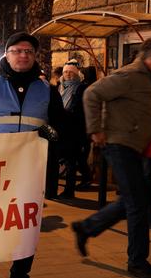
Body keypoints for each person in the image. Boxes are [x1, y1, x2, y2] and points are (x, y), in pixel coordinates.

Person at [0, 32, 65, 278]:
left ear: (34, 56)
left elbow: (61, 129)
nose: (23, 55)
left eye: (28, 52)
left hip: (30, 171)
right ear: (7, 55)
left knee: (26, 225)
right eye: (17, 51)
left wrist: (42, 134)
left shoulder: (48, 90)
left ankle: (21, 271)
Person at [71, 38, 151, 278]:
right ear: (145, 55)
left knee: (132, 200)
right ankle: (137, 262)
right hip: (118, 144)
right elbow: (92, 94)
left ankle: (86, 228)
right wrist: (95, 129)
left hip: (135, 146)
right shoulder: (129, 75)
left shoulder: (150, 78)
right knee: (137, 204)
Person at [57, 59, 89, 198]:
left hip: (74, 130)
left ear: (76, 74)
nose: (68, 75)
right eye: (66, 72)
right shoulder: (60, 88)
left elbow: (80, 109)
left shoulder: (81, 88)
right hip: (61, 128)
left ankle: (69, 190)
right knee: (64, 159)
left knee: (71, 161)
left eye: (71, 72)